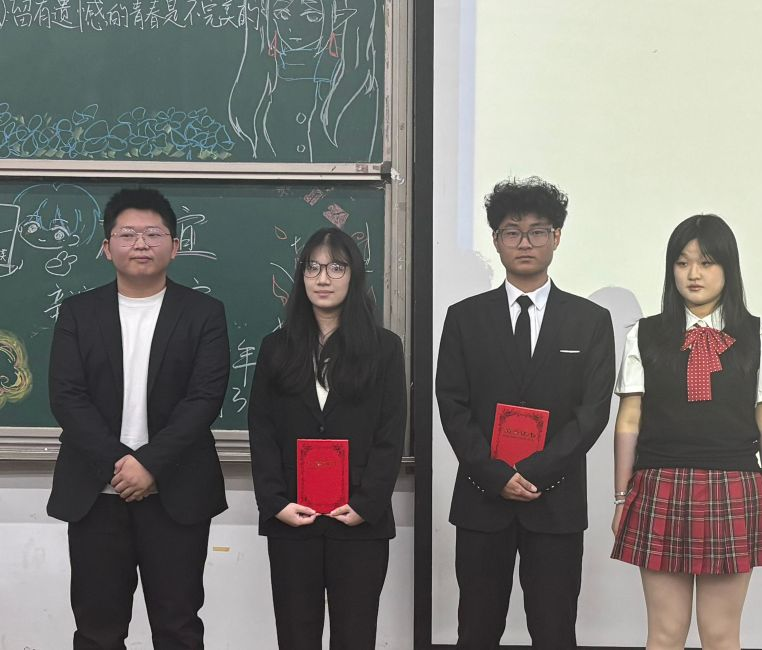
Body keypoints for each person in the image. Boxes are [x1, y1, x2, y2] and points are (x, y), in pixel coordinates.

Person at [436, 177, 615, 649]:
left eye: (537, 231)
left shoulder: (589, 321)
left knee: (555, 632)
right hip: (482, 499)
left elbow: (592, 413)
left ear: (557, 237)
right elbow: (451, 404)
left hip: (555, 503)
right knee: (476, 631)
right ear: (496, 240)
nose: (525, 242)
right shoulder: (464, 318)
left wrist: (535, 472)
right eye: (512, 232)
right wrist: (495, 474)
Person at [47, 187, 230, 648]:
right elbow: (67, 397)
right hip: (95, 493)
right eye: (127, 234)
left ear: (175, 245)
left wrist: (149, 464)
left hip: (176, 491)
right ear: (107, 248)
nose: (141, 244)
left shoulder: (204, 314)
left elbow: (204, 399)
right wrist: (121, 465)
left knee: (178, 628)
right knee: (97, 630)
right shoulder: (77, 313)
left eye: (153, 234)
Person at [611, 214, 762, 650]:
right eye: (682, 262)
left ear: (729, 268)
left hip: (734, 487)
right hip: (660, 485)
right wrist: (620, 499)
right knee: (664, 634)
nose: (693, 274)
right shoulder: (645, 334)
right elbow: (629, 419)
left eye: (707, 262)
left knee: (721, 634)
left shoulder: (756, 332)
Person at [248, 227, 406, 649]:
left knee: (355, 637)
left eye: (336, 267)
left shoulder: (385, 349)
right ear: (301, 275)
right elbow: (261, 430)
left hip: (358, 521)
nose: (323, 278)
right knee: (295, 636)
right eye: (313, 267)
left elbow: (391, 434)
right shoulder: (276, 348)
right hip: (292, 519)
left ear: (354, 275)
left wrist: (366, 504)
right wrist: (275, 503)